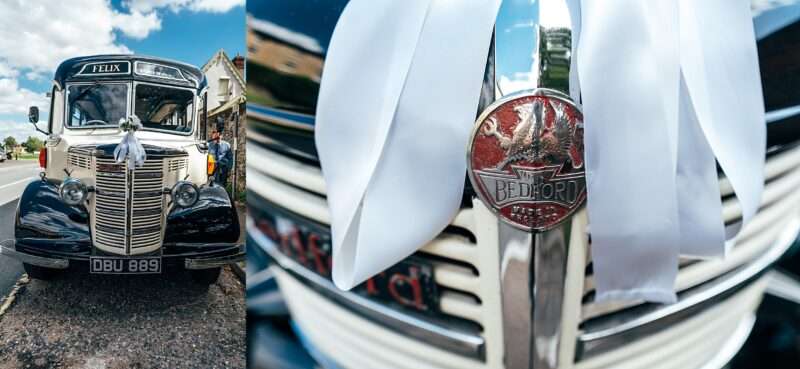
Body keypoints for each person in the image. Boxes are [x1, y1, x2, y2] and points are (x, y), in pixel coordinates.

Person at [208, 116, 233, 188]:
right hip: (211, 172)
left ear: (221, 135)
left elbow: (230, 159)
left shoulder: (227, 145)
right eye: (214, 133)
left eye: (219, 133)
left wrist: (228, 170)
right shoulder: (208, 145)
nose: (217, 135)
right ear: (212, 135)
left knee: (222, 188)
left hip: (223, 171)